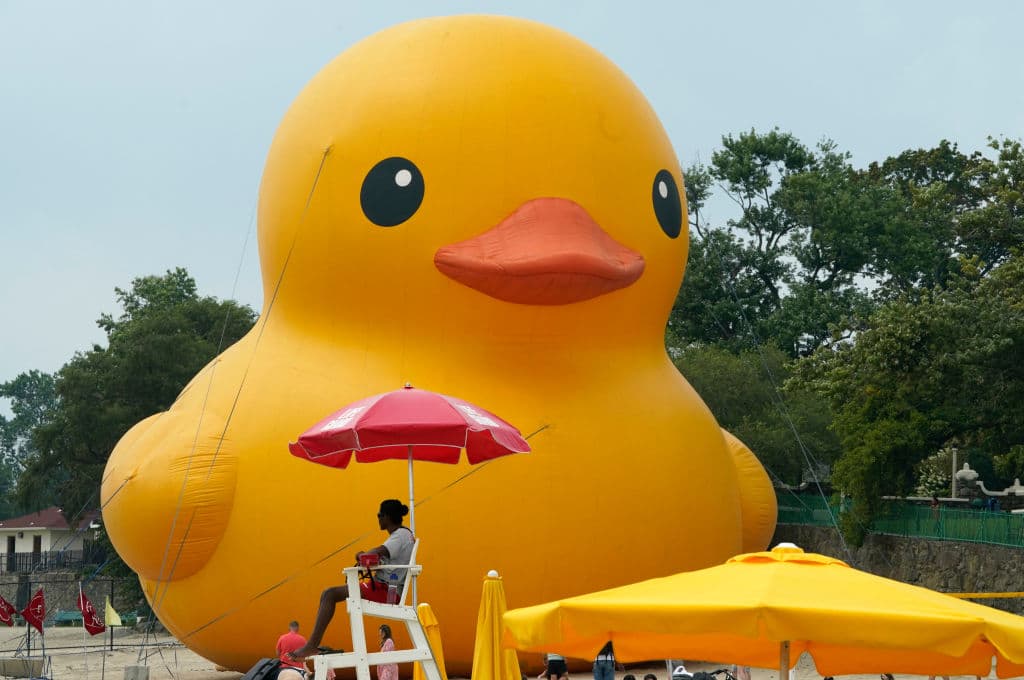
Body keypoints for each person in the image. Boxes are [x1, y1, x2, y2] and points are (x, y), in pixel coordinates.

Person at [290, 499, 415, 659]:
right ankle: (311, 645)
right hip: (383, 587)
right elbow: (381, 557)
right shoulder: (402, 535)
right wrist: (366, 556)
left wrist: (362, 555)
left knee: (330, 594)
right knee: (327, 594)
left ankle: (311, 646)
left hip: (387, 592)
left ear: (387, 517)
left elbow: (377, 551)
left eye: (379, 515)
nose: (378, 518)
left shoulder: (400, 536)